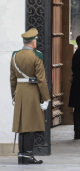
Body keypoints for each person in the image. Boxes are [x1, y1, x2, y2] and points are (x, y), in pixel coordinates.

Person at [10, 28, 50, 164]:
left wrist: (13, 95)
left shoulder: (15, 56)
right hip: (32, 92)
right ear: (33, 42)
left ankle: (21, 155)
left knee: (22, 125)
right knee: (31, 125)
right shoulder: (36, 56)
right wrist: (46, 98)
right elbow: (41, 80)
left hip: (20, 92)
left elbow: (12, 79)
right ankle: (28, 155)